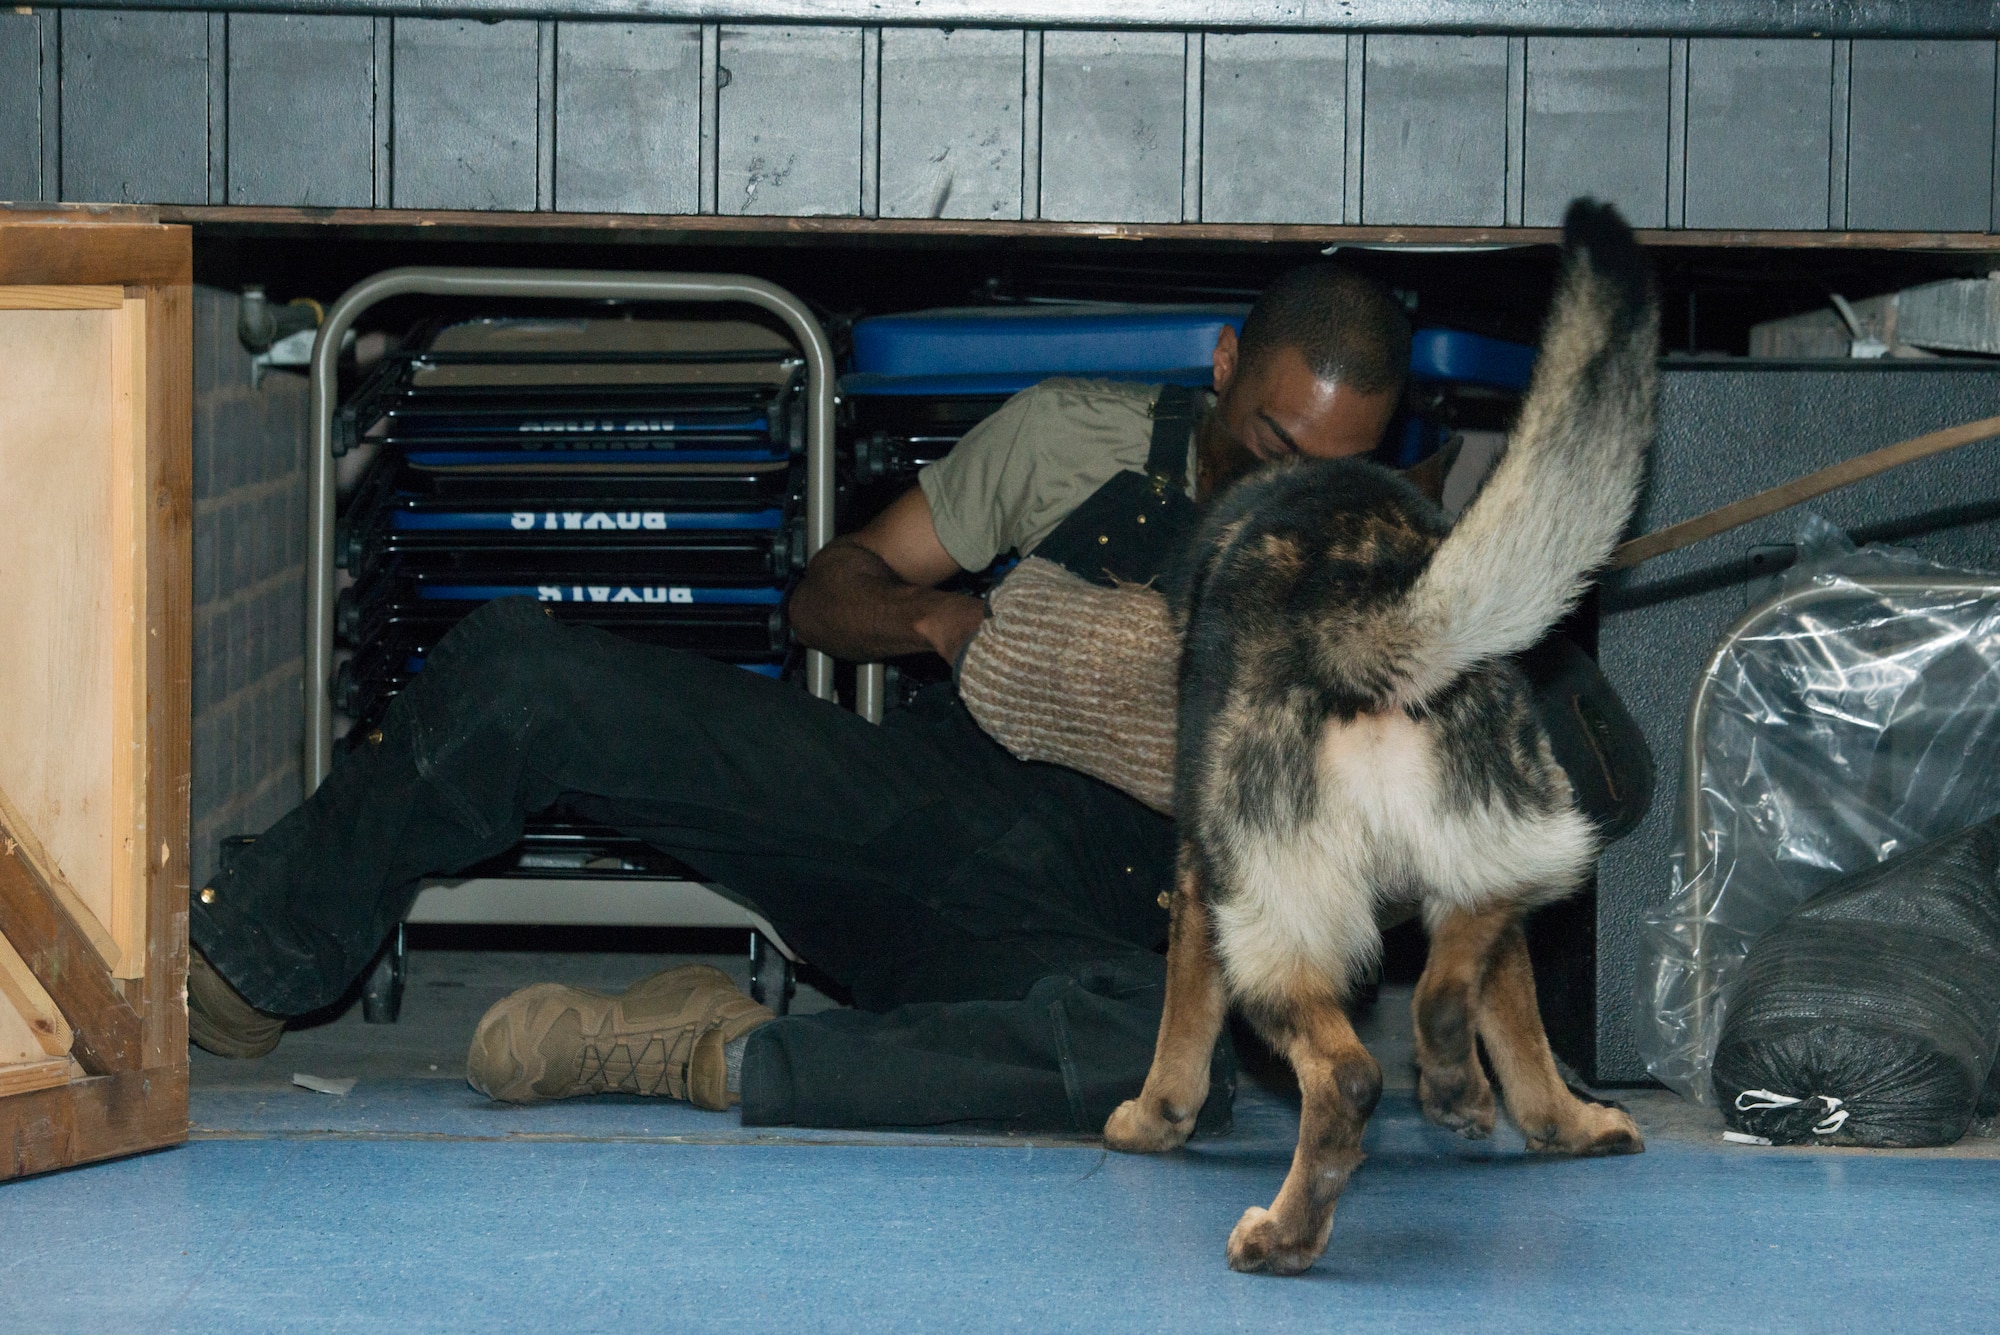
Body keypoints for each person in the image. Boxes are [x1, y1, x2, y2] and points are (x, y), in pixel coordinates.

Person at [185, 267, 1411, 1133]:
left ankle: (722, 1056)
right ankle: (257, 955)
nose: (1290, 491)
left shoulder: (1384, 565)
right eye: (1268, 447)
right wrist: (945, 622)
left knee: (1179, 1063)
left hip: (1073, 935)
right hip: (900, 805)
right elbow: (826, 597)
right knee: (523, 672)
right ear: (1224, 365)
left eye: (1333, 471)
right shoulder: (1074, 438)